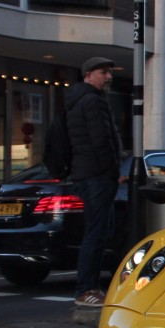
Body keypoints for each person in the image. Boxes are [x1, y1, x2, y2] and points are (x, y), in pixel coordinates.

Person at [65, 56, 123, 307]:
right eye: (103, 72)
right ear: (88, 75)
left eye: (109, 72)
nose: (108, 76)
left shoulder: (79, 100)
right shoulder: (92, 102)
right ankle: (86, 289)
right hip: (97, 177)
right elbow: (102, 142)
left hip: (88, 174)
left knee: (100, 232)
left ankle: (91, 287)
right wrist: (112, 172)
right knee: (97, 234)